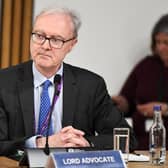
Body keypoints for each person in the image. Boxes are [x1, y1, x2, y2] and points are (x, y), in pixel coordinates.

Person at [0, 7, 137, 159]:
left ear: (71, 45)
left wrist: (85, 143)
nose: (45, 46)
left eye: (56, 40)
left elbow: (126, 139)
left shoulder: (90, 85)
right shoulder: (4, 82)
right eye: (39, 36)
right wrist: (40, 143)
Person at [112, 13, 168, 150]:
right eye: (157, 42)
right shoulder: (146, 65)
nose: (160, 47)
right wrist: (120, 102)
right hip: (141, 143)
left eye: (166, 43)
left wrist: (166, 110)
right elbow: (128, 100)